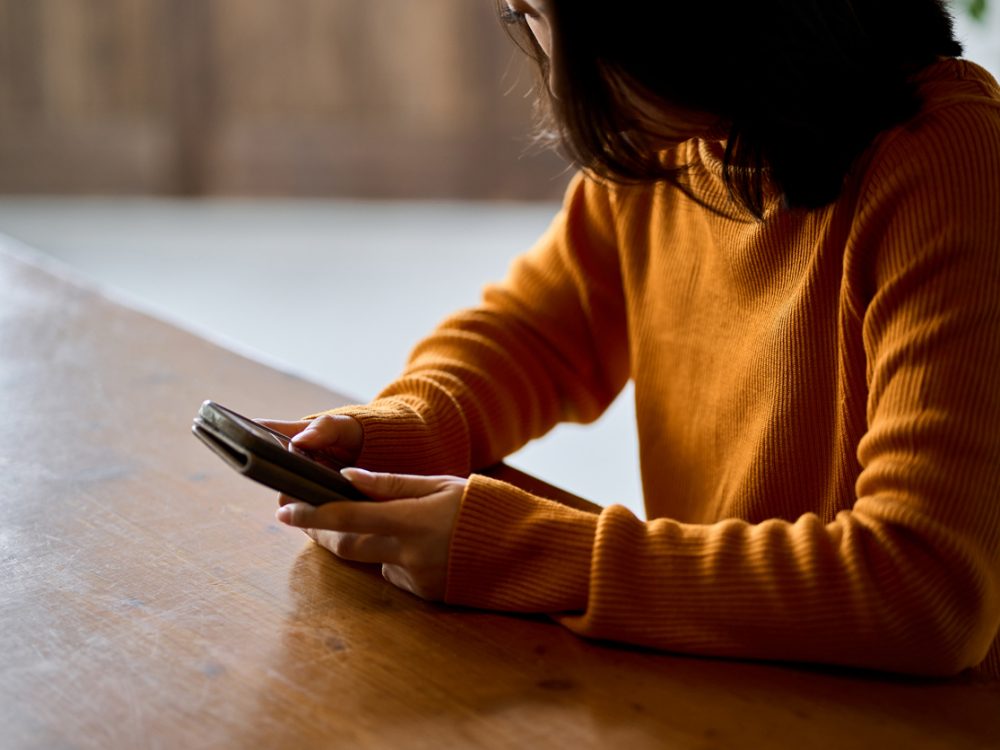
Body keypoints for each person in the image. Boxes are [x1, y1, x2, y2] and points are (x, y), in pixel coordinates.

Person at [261, 0, 1000, 679]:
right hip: (721, 686)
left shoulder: (950, 164)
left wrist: (526, 550)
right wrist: (415, 425)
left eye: (532, 14)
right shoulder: (676, 145)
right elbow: (536, 335)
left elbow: (923, 589)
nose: (546, 64)